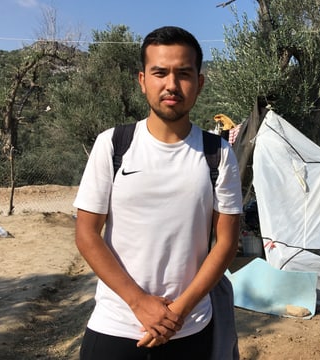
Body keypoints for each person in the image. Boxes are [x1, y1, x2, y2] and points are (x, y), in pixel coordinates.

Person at [73, 26, 243, 359]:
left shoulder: (219, 154)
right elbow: (86, 233)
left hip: (191, 329)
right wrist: (140, 304)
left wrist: (179, 311)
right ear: (142, 80)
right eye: (160, 73)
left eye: (183, 73)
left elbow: (226, 243)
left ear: (200, 81)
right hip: (116, 326)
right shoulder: (112, 145)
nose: (171, 85)